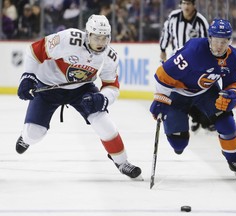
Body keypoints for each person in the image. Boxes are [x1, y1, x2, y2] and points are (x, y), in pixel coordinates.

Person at [16, 14, 142, 180]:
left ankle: (122, 161)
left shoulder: (110, 56)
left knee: (104, 123)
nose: (101, 43)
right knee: (34, 134)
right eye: (96, 37)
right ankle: (26, 138)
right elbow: (34, 51)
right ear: (87, 34)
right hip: (48, 87)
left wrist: (102, 99)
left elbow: (111, 86)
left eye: (105, 38)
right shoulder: (68, 39)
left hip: (82, 90)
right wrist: (27, 77)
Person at [150, 18, 236, 180]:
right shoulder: (194, 51)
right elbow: (162, 75)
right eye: (216, 41)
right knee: (179, 145)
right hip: (178, 93)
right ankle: (184, 119)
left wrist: (233, 96)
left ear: (229, 41)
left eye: (224, 41)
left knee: (226, 120)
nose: (219, 46)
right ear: (209, 38)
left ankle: (235, 161)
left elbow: (232, 82)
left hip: (205, 92)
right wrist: (160, 98)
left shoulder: (232, 57)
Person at [159, 0, 214, 133]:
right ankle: (195, 117)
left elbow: (208, 43)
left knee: (194, 89)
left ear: (194, 5)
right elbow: (166, 33)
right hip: (178, 60)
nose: (186, 6)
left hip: (196, 63)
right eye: (183, 3)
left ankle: (201, 117)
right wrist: (162, 49)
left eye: (188, 3)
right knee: (178, 90)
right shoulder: (173, 17)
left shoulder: (201, 21)